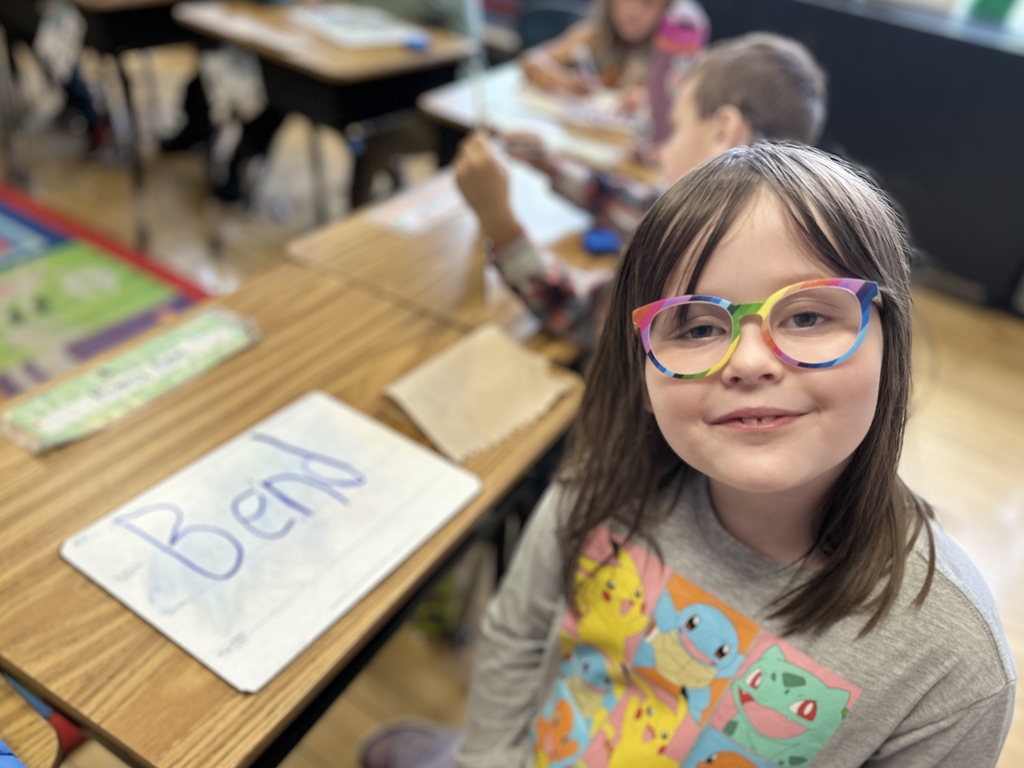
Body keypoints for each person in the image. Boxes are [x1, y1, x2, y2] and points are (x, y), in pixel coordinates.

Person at [364, 142, 1017, 767]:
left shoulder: (953, 664)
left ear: (889, 347)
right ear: (643, 373)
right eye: (699, 327)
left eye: (810, 317)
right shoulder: (599, 484)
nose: (752, 361)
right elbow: (516, 634)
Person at [453, 32, 826, 349]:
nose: (662, 148)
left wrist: (501, 226)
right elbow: (646, 208)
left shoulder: (696, 266)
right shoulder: (750, 220)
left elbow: (582, 312)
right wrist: (551, 164)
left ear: (722, 132)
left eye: (675, 127)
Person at [519, 0, 676, 97]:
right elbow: (530, 59)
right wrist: (569, 83)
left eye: (648, 2)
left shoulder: (670, 55)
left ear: (666, 8)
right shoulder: (590, 37)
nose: (635, 11)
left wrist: (645, 99)